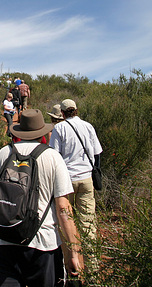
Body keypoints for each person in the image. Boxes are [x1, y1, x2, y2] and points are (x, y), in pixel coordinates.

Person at [0, 109, 83, 286]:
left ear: (20, 131)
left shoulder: (4, 153)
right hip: (42, 246)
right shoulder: (53, 157)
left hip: (3, 243)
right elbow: (63, 209)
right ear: (43, 133)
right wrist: (74, 253)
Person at [49, 99, 103, 243]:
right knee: (88, 222)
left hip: (67, 181)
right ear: (76, 110)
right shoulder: (88, 126)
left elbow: (54, 156)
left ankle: (69, 261)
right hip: (86, 179)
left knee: (66, 222)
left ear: (62, 112)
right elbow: (97, 153)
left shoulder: (59, 129)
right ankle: (92, 263)